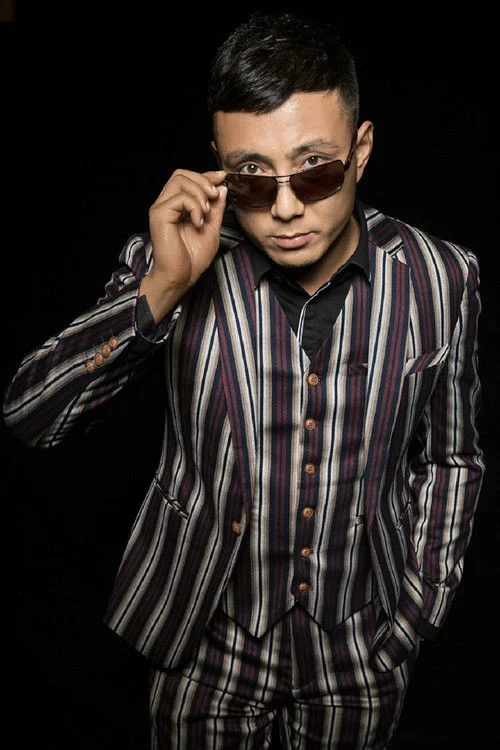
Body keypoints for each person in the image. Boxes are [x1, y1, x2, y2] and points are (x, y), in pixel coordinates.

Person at [3, 10, 485, 750]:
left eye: (315, 169)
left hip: (362, 648)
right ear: (219, 170)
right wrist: (163, 288)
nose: (286, 208)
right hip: (206, 644)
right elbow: (31, 415)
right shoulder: (174, 262)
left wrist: (420, 609)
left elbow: (452, 458)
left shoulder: (441, 277)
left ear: (361, 151)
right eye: (253, 178)